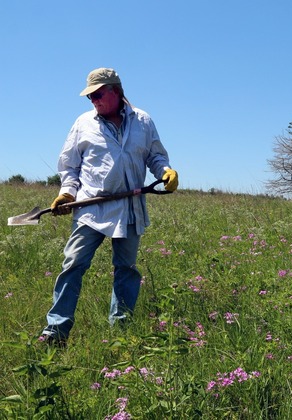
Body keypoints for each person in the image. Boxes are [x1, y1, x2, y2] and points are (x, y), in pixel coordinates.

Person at [41, 68, 178, 346]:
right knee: (73, 265)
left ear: (116, 91)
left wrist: (165, 171)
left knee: (126, 268)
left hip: (129, 208)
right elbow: (69, 165)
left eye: (98, 94)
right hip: (91, 209)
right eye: (90, 96)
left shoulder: (143, 121)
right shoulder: (83, 123)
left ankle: (121, 333)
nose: (94, 100)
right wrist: (67, 193)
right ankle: (55, 332)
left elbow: (155, 155)